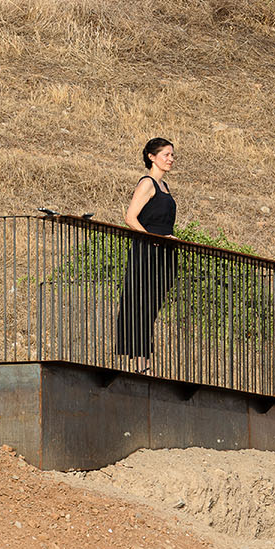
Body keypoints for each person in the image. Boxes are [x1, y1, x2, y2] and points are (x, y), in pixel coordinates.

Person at [115, 138, 178, 373]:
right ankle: (142, 365)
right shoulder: (147, 184)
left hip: (163, 254)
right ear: (152, 157)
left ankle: (145, 363)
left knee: (151, 307)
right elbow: (130, 218)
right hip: (147, 252)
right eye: (166, 155)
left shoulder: (165, 187)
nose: (170, 159)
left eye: (172, 155)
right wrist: (152, 240)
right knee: (140, 304)